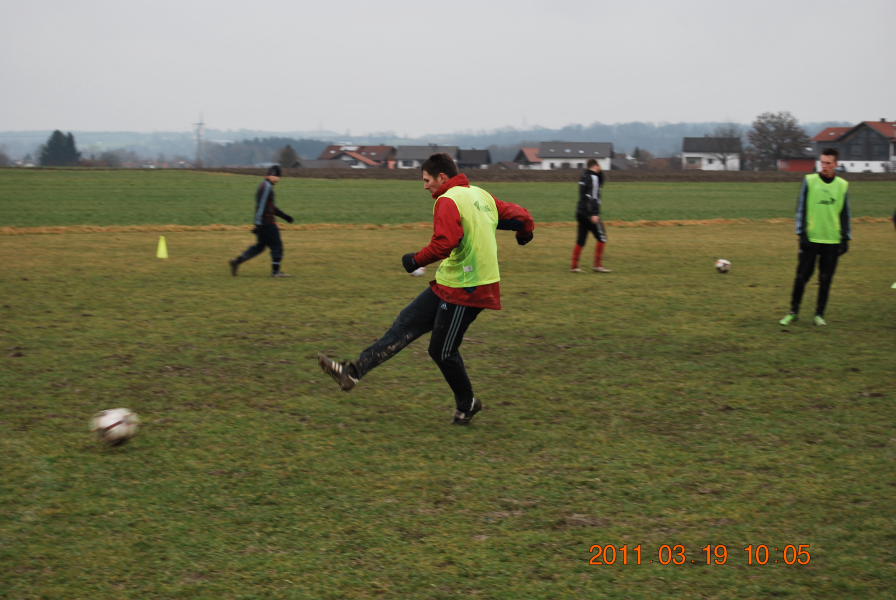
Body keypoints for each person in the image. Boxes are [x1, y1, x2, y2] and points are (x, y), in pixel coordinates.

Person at [318, 153, 535, 425]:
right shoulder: (480, 195)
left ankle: (467, 404)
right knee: (405, 323)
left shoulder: (448, 200)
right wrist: (524, 233)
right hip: (451, 283)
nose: (425, 186)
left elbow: (444, 243)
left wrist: (415, 261)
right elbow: (522, 216)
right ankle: (352, 372)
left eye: (426, 180)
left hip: (468, 287)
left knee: (442, 350)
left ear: (442, 177)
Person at [779, 148, 851, 326]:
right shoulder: (809, 181)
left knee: (825, 279)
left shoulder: (842, 185)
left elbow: (845, 214)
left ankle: (819, 315)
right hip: (811, 238)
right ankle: (793, 312)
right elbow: (801, 209)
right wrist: (801, 233)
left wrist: (846, 238)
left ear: (836, 164)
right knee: (801, 277)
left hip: (832, 240)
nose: (824, 166)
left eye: (828, 163)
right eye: (822, 162)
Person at [229, 165, 294, 277]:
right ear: (273, 175)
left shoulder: (265, 185)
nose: (279, 179)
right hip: (267, 223)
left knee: (259, 247)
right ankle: (276, 272)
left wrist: (285, 216)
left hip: (263, 222)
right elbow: (261, 207)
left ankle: (237, 261)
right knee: (277, 245)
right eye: (278, 176)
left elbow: (271, 207)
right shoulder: (267, 187)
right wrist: (258, 224)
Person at [571, 158, 611, 273]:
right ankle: (598, 265)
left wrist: (599, 172)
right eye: (599, 166)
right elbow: (593, 197)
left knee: (581, 239)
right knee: (602, 237)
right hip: (590, 213)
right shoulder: (593, 178)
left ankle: (574, 266)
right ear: (596, 165)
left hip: (580, 212)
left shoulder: (584, 176)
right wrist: (594, 213)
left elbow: (600, 183)